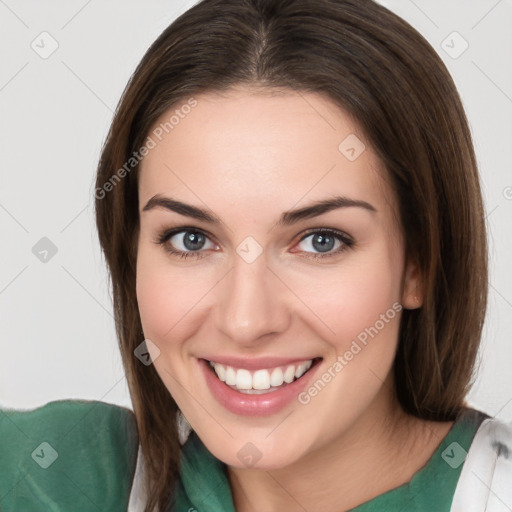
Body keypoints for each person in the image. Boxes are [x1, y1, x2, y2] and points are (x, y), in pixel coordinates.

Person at [1, 0, 511, 511]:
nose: (246, 321)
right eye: (191, 239)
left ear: (418, 263)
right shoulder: (53, 476)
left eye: (320, 240)